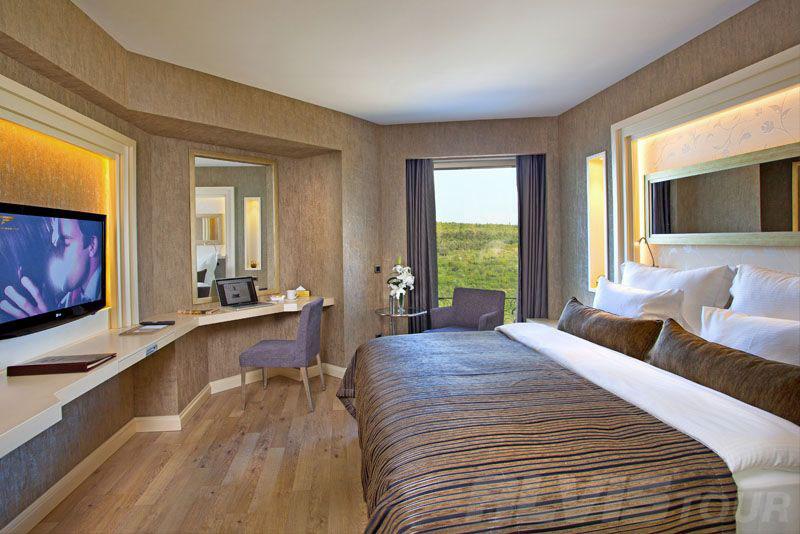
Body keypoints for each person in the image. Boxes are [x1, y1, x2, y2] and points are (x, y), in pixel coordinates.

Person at [0, 216, 102, 322]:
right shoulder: (65, 302)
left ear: (92, 245)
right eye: (55, 244)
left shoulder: (103, 294)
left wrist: (46, 321)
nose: (56, 253)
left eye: (65, 243)